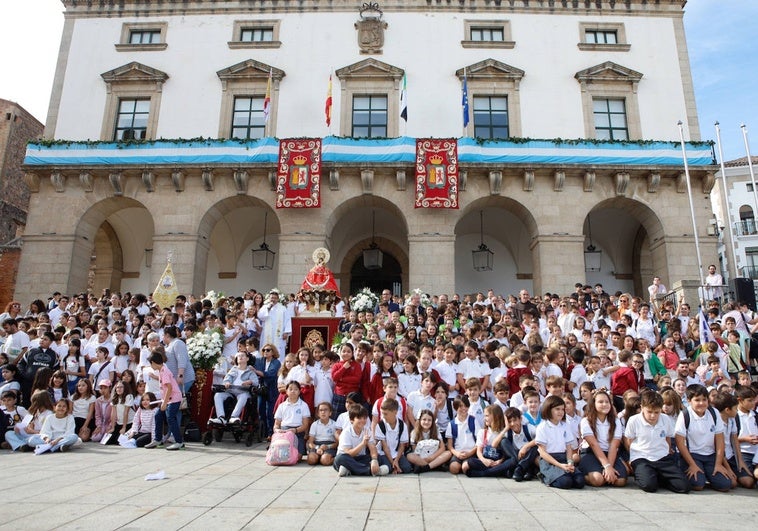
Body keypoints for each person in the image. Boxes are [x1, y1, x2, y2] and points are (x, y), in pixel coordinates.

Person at [623, 390, 689, 493]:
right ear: (642, 407)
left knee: (683, 486)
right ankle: (645, 475)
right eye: (649, 412)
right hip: (642, 458)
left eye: (656, 412)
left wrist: (667, 449)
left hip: (662, 457)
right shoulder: (633, 420)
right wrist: (633, 456)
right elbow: (629, 440)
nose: (653, 416)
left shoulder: (665, 419)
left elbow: (667, 437)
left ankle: (659, 477)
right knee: (649, 486)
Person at [674, 384, 732, 492]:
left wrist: (719, 464)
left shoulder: (714, 413)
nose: (701, 403)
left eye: (704, 399)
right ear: (689, 400)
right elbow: (680, 443)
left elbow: (720, 439)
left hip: (710, 456)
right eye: (697, 400)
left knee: (726, 485)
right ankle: (700, 474)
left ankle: (708, 474)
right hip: (693, 455)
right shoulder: (685, 415)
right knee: (698, 485)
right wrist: (692, 464)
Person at [535, 395, 585, 489]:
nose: (561, 412)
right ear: (549, 409)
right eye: (557, 409)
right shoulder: (542, 427)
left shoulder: (565, 426)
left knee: (580, 481)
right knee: (565, 482)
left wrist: (570, 463)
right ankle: (545, 476)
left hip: (563, 457)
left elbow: (569, 448)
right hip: (549, 461)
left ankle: (561, 475)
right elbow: (542, 452)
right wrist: (560, 466)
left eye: (562, 409)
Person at [579, 390, 627, 487]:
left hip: (610, 453)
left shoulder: (616, 421)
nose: (604, 404)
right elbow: (594, 444)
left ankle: (605, 472)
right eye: (600, 402)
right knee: (598, 480)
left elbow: (614, 445)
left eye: (607, 402)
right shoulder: (586, 421)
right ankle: (582, 474)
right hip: (591, 452)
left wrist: (609, 466)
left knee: (620, 481)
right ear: (594, 404)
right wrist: (607, 466)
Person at [334, 403, 388, 477]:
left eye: (364, 418)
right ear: (351, 420)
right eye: (359, 418)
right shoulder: (346, 432)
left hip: (360, 459)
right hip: (347, 458)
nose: (362, 421)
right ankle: (371, 471)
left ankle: (349, 470)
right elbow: (349, 453)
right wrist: (363, 443)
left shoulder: (367, 430)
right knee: (340, 458)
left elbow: (372, 447)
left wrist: (374, 460)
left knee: (379, 458)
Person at [144, 351, 184, 450]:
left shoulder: (164, 371)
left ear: (153, 362)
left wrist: (164, 403)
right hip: (168, 399)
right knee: (158, 415)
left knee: (170, 418)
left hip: (173, 399)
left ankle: (179, 442)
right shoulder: (162, 371)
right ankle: (158, 440)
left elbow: (170, 388)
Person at [211, 351, 258, 425]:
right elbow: (226, 379)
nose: (240, 357)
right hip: (231, 391)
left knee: (244, 396)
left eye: (242, 356)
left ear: (247, 359)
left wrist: (250, 382)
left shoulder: (250, 371)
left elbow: (256, 382)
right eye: (238, 356)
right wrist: (227, 382)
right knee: (218, 395)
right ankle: (221, 417)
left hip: (243, 391)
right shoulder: (233, 369)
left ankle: (234, 417)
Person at [466, 405, 513, 478]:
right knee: (471, 461)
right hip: (486, 460)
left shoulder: (504, 432)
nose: (485, 419)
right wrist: (484, 460)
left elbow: (506, 453)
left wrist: (500, 461)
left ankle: (484, 473)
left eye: (487, 416)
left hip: (499, 461)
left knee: (510, 462)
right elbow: (479, 451)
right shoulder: (482, 432)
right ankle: (498, 472)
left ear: (495, 416)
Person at [17, 331, 59, 407]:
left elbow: (56, 369)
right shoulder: (31, 351)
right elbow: (21, 364)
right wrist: (25, 375)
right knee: (26, 402)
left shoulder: (54, 355)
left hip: (44, 384)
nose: (42, 340)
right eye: (41, 338)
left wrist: (50, 379)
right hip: (28, 382)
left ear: (51, 342)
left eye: (45, 339)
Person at [406, 409, 451, 473]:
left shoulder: (436, 431)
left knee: (448, 453)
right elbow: (415, 449)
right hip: (421, 457)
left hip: (434, 456)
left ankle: (426, 467)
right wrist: (425, 458)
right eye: (424, 419)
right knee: (409, 456)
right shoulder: (414, 433)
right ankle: (434, 466)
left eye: (429, 420)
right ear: (420, 420)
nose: (426, 422)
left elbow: (442, 448)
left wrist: (431, 458)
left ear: (432, 422)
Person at [374, 397, 412, 474]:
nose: (383, 416)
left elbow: (402, 446)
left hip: (396, 454)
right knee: (389, 467)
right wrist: (393, 463)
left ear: (395, 412)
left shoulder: (402, 425)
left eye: (386, 414)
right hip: (383, 454)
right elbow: (385, 447)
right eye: (382, 413)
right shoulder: (380, 425)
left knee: (407, 468)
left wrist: (396, 460)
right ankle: (386, 467)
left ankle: (393, 467)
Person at [273, 381, 311, 455]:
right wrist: (277, 430)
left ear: (299, 391)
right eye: (290, 389)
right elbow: (276, 424)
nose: (293, 391)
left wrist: (295, 430)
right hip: (284, 432)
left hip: (298, 432)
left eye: (296, 389)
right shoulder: (282, 406)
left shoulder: (304, 405)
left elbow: (305, 425)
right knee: (282, 455)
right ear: (286, 391)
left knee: (298, 456)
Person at [502, 407, 539, 481]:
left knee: (535, 447)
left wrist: (526, 446)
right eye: (510, 421)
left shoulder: (529, 428)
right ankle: (524, 469)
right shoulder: (508, 432)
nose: (513, 424)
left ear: (520, 419)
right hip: (516, 456)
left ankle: (519, 468)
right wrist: (506, 428)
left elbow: (541, 438)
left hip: (528, 455)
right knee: (503, 441)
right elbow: (494, 444)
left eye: (515, 420)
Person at [254, 343, 282, 439]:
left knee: (270, 412)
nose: (265, 352)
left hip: (271, 389)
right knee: (261, 411)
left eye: (268, 350)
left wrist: (258, 372)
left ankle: (271, 433)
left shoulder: (276, 362)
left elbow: (271, 373)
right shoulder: (259, 360)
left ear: (273, 352)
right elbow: (256, 369)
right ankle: (264, 432)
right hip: (261, 389)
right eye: (264, 350)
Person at [445, 396, 477, 475]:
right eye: (460, 406)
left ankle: (466, 466)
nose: (464, 408)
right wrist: (457, 454)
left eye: (466, 406)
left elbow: (479, 443)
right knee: (453, 468)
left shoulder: (473, 420)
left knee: (465, 467)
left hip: (471, 452)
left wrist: (469, 453)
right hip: (458, 453)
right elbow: (450, 445)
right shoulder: (452, 424)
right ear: (455, 408)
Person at [257, 289, 292, 360]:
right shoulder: (265, 307)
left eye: (275, 298)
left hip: (279, 333)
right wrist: (268, 309)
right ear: (269, 298)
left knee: (278, 349)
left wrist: (286, 332)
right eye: (272, 298)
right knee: (266, 348)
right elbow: (260, 317)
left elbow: (288, 320)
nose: (273, 299)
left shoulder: (282, 308)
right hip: (267, 334)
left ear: (278, 299)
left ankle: (279, 366)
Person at [307, 402, 338, 467]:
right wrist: (317, 448)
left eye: (325, 410)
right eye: (321, 410)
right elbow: (310, 442)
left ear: (330, 413)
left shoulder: (335, 424)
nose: (323, 412)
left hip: (329, 445)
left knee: (325, 461)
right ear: (318, 413)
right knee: (311, 460)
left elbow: (337, 443)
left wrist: (328, 446)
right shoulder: (314, 424)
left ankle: (335, 459)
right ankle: (318, 458)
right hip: (316, 445)